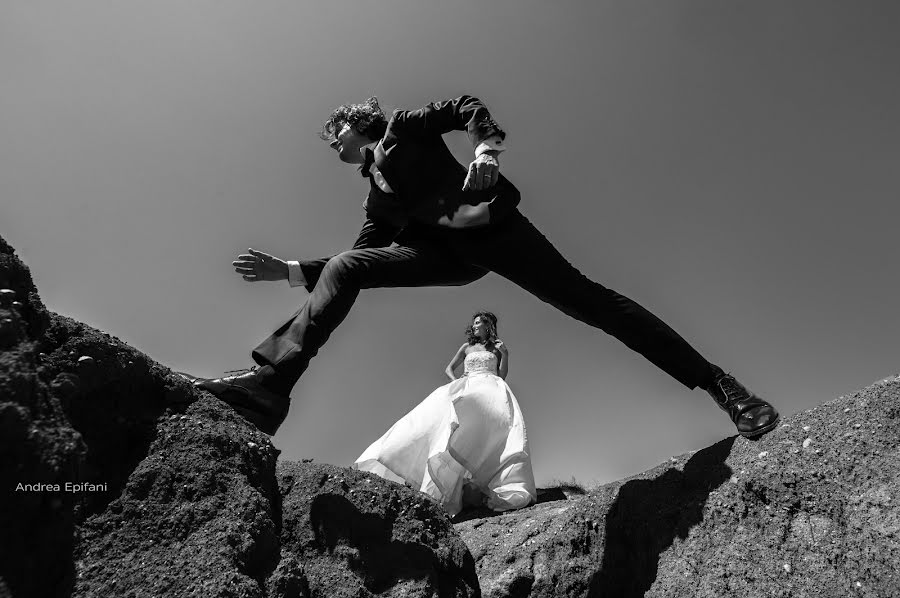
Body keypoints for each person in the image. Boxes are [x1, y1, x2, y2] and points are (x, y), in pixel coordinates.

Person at [192, 94, 779, 440]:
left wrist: (484, 152)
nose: (333, 143)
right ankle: (269, 388)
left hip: (494, 231)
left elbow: (464, 106)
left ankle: (720, 384)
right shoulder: (378, 199)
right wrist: (291, 270)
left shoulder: (403, 128)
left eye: (337, 132)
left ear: (361, 123)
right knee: (347, 267)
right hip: (443, 255)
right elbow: (358, 258)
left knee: (594, 304)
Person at [354, 311, 536, 516]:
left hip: (492, 389)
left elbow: (502, 376)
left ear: (488, 326)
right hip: (469, 385)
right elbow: (449, 368)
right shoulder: (466, 348)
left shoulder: (497, 348)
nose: (475, 326)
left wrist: (506, 355)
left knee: (489, 431)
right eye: (474, 323)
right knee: (448, 420)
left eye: (479, 323)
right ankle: (447, 481)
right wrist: (457, 382)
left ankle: (480, 482)